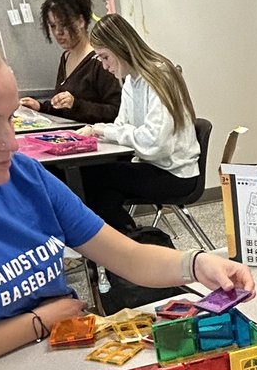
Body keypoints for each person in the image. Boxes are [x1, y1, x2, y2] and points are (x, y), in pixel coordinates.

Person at [0, 5, 253, 370]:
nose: (11, 142)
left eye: (10, 118)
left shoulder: (25, 176)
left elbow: (128, 256)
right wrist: (39, 322)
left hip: (53, 367)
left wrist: (196, 264)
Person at [79, 14, 201, 233]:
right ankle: (129, 240)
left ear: (120, 47)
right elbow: (123, 127)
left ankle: (129, 242)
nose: (104, 66)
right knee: (97, 188)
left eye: (105, 57)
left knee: (94, 180)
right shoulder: (131, 81)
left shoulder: (159, 76)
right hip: (153, 164)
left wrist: (105, 130)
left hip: (175, 173)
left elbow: (156, 143)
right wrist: (95, 132)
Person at [19, 0, 121, 123]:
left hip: (96, 135)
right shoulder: (66, 57)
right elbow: (64, 109)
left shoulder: (100, 61)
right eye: (53, 26)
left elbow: (117, 112)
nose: (58, 32)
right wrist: (41, 107)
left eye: (64, 25)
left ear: (80, 21)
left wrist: (76, 105)